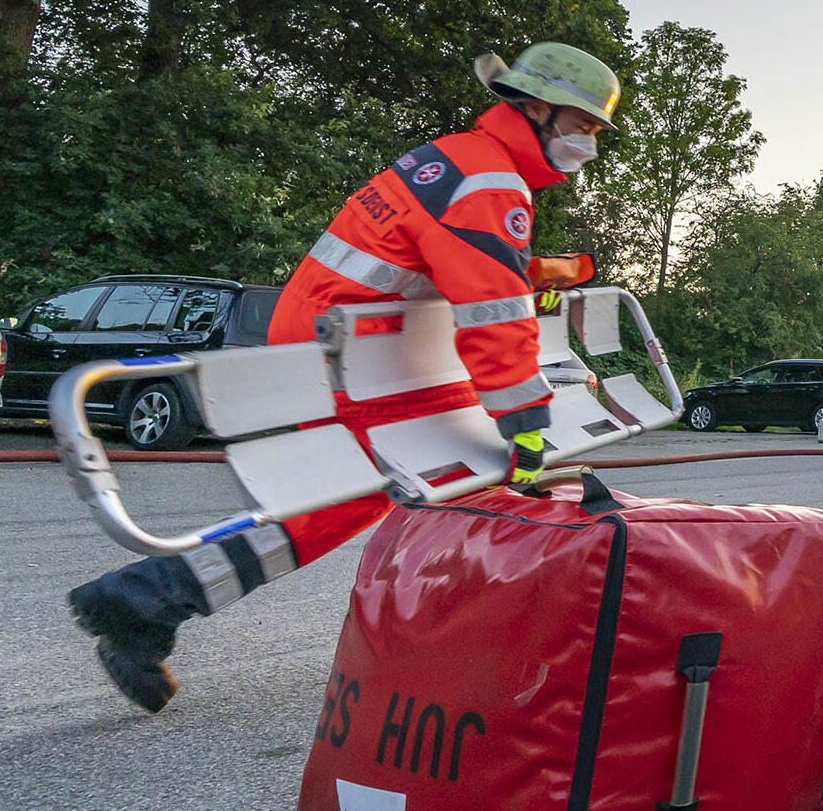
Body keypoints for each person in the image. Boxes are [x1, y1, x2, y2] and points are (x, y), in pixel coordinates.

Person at [64, 42, 622, 712]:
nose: (587, 143)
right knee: (419, 482)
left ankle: (147, 599)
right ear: (536, 107)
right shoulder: (490, 184)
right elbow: (491, 312)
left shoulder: (467, 162)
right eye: (582, 126)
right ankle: (148, 598)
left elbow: (466, 265)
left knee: (378, 490)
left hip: (347, 344)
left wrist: (549, 277)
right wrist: (527, 421)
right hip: (349, 357)